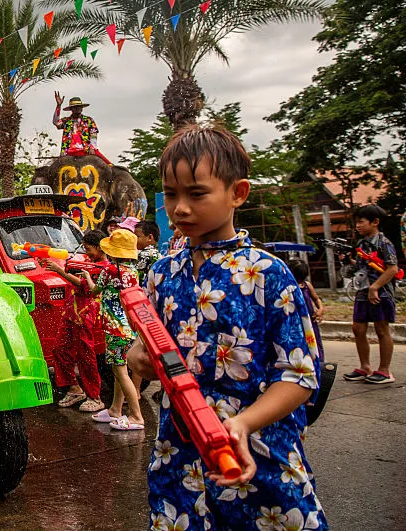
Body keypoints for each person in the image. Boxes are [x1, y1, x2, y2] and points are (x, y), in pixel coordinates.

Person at [128, 123, 324, 529]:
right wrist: (137, 356)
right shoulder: (161, 274)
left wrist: (243, 423)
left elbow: (300, 374)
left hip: (261, 462)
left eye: (196, 194)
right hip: (177, 464)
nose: (180, 208)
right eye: (170, 194)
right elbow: (145, 349)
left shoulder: (269, 273)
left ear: (237, 193)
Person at [69, 229, 144, 430]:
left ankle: (136, 416)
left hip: (115, 327)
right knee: (119, 369)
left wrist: (86, 275)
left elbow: (94, 290)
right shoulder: (132, 271)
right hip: (130, 326)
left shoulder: (110, 270)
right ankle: (115, 410)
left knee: (120, 371)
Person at [42, 229, 108, 413]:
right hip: (73, 311)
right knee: (60, 349)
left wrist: (59, 271)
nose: (85, 252)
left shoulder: (104, 267)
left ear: (99, 248)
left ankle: (95, 396)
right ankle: (73, 388)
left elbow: (85, 287)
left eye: (88, 249)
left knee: (86, 356)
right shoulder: (89, 262)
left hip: (86, 313)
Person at [343, 204, 398, 384]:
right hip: (362, 291)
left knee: (382, 329)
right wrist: (346, 260)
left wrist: (375, 287)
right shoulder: (361, 244)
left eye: (361, 222)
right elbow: (358, 268)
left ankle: (384, 370)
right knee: (358, 329)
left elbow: (392, 269)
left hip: (380, 293)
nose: (357, 226)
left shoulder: (384, 243)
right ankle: (365, 366)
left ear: (375, 222)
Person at [52, 94, 111, 164]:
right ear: (71, 109)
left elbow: (93, 134)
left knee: (109, 165)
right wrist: (58, 106)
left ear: (82, 108)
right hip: (68, 152)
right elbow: (55, 122)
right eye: (75, 107)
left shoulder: (89, 120)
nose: (78, 108)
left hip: (86, 150)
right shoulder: (66, 121)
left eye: (79, 106)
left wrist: (92, 148)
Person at [289, 260, 324, 362]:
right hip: (295, 322)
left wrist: (320, 309)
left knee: (314, 345)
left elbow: (316, 299)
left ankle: (318, 364)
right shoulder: (288, 287)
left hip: (309, 322)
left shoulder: (307, 285)